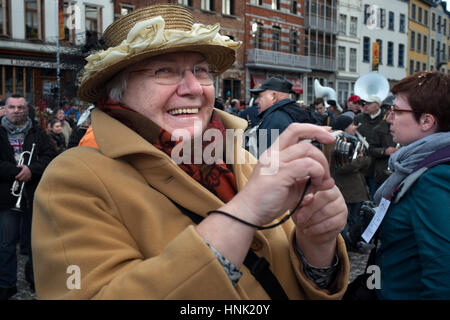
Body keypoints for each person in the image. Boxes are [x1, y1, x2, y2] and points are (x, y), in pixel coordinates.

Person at [32, 4, 349, 300]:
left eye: (200, 70)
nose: (194, 87)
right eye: (165, 71)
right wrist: (245, 211)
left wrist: (317, 246)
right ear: (117, 89)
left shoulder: (241, 159)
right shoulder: (73, 178)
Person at [373, 71, 450, 299]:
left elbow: (443, 271)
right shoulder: (421, 164)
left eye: (396, 110)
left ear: (427, 121)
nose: (389, 118)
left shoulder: (435, 177)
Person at [0, 94, 56, 300]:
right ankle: (6, 285)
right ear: (5, 109)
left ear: (26, 110)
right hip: (7, 197)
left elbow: (51, 157)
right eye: (12, 107)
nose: (16, 110)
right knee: (6, 244)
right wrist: (16, 171)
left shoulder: (37, 132)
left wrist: (32, 169)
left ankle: (35, 280)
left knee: (36, 243)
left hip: (33, 195)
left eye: (21, 107)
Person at [327, 115, 371, 253]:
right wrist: (363, 161)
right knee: (347, 220)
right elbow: (342, 166)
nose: (355, 127)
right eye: (352, 124)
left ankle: (351, 244)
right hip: (346, 188)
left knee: (355, 219)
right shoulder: (340, 142)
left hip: (354, 187)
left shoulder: (352, 140)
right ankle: (346, 246)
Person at [245, 76, 315, 157]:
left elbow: (266, 162)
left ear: (274, 97)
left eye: (260, 96)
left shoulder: (274, 120)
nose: (256, 101)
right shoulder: (292, 113)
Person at [354, 95, 384, 200]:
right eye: (365, 103)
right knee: (359, 193)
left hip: (377, 163)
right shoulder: (359, 118)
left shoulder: (385, 119)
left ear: (378, 105)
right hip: (361, 161)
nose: (366, 106)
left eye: (369, 103)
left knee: (374, 193)